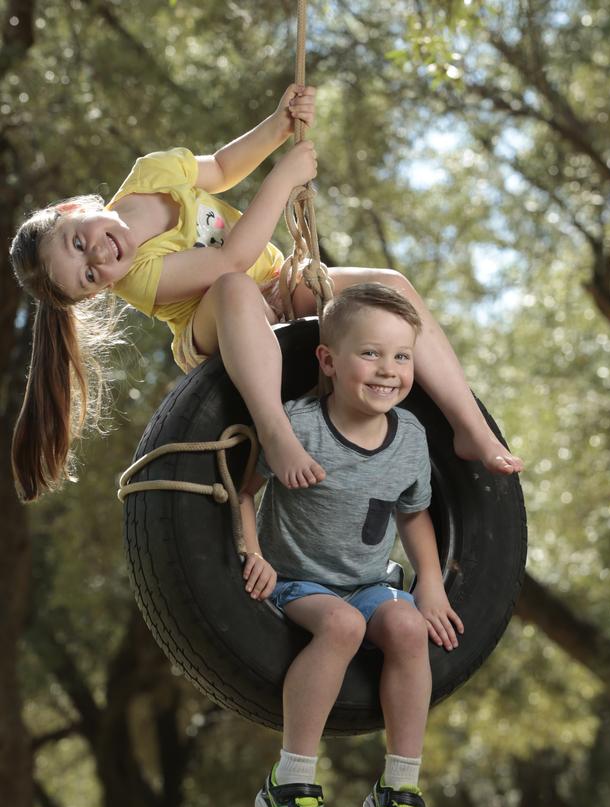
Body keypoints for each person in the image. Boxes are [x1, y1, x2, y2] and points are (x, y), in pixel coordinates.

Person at [9, 83, 522, 503]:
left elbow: (225, 168)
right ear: (99, 293)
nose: (100, 259)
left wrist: (278, 126)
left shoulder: (151, 173)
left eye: (80, 244)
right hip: (218, 323)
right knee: (234, 286)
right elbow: (229, 262)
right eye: (89, 277)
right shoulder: (138, 276)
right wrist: (284, 177)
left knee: (391, 288)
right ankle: (276, 433)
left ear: (76, 211)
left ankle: (468, 425)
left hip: (276, 281)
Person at [239, 284, 464, 807]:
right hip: (296, 582)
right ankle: (289, 782)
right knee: (340, 627)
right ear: (328, 360)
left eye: (402, 356)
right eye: (371, 354)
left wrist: (429, 582)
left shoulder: (410, 438)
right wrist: (251, 551)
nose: (388, 371)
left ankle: (399, 789)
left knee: (409, 629)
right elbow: (241, 492)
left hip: (368, 581)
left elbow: (412, 514)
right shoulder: (297, 427)